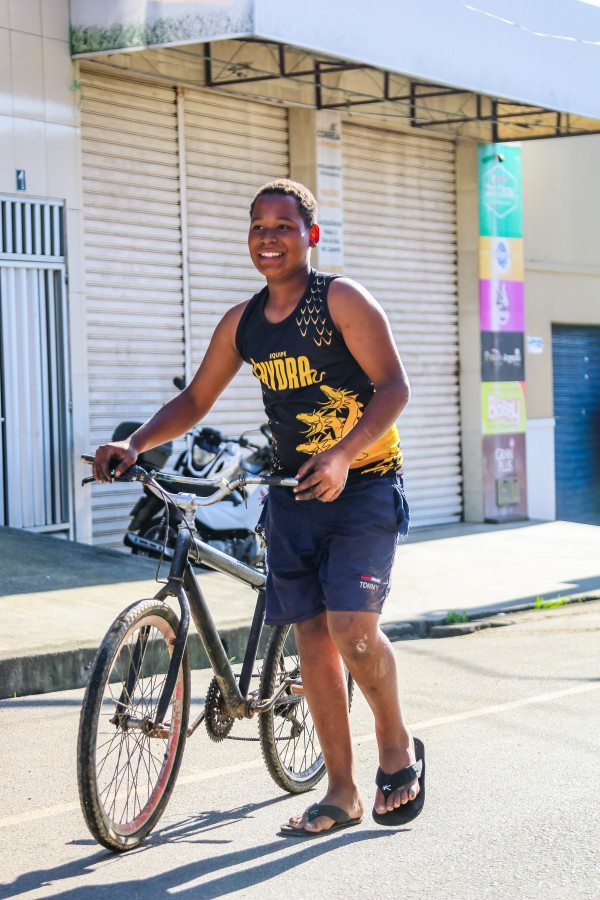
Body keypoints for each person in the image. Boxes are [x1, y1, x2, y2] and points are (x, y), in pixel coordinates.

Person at [92, 178, 425, 836]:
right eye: (257, 226)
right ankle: (341, 792)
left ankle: (395, 745)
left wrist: (343, 455)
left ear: (311, 236)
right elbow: (194, 402)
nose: (268, 237)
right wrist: (133, 443)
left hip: (363, 486)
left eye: (283, 225)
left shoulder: (342, 300)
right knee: (314, 644)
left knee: (353, 629)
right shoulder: (243, 323)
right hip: (289, 492)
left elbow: (393, 388)